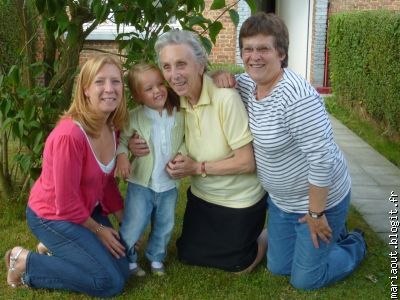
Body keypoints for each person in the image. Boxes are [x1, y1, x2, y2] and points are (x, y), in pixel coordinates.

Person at [213, 12, 367, 289]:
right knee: (278, 268)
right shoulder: (248, 85)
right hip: (283, 205)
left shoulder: (298, 99)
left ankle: (353, 243)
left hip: (321, 201)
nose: (254, 57)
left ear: (281, 54)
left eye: (263, 49)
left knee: (306, 280)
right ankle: (328, 236)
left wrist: (317, 213)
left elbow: (323, 160)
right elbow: (215, 80)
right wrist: (219, 75)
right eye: (248, 49)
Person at [130, 30, 267, 273]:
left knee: (238, 265)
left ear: (200, 64)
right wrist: (132, 144)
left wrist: (197, 168)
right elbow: (145, 118)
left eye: (181, 64)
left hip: (238, 199)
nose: (174, 75)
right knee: (188, 255)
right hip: (202, 197)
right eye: (167, 67)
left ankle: (268, 234)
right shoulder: (173, 98)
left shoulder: (226, 99)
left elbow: (247, 162)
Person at [4, 54, 130, 297]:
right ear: (85, 90)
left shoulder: (111, 127)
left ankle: (57, 249)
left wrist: (126, 222)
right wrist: (99, 231)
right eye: (100, 82)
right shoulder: (69, 136)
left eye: (116, 82)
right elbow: (66, 204)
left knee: (123, 270)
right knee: (109, 283)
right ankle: (25, 262)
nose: (109, 89)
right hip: (53, 216)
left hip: (84, 210)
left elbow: (106, 185)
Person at [115, 63, 185, 276]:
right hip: (140, 184)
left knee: (165, 224)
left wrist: (182, 154)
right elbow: (123, 141)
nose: (157, 90)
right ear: (137, 96)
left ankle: (156, 258)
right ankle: (129, 261)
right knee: (134, 224)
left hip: (168, 185)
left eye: (160, 84)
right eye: (149, 88)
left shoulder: (179, 113)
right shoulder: (134, 116)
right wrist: (122, 158)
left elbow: (186, 140)